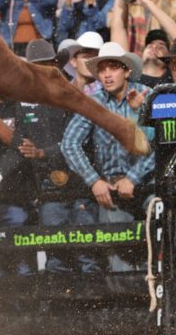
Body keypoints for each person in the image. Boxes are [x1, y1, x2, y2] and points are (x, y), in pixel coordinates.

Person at [61, 41, 153, 271]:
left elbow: (158, 143)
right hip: (112, 190)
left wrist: (132, 177)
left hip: (150, 187)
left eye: (113, 67)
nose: (107, 74)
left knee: (156, 253)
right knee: (120, 262)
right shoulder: (95, 102)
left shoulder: (147, 96)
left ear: (126, 70)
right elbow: (69, 142)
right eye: (102, 69)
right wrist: (93, 180)